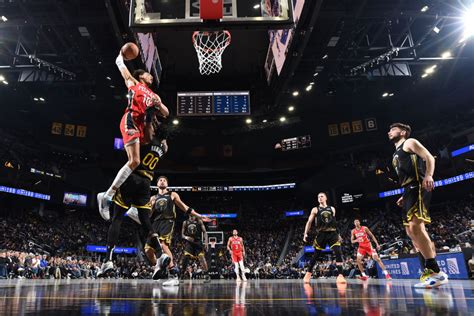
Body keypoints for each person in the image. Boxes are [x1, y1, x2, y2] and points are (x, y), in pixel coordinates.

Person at [97, 48, 169, 219]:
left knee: (138, 161)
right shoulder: (133, 83)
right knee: (135, 160)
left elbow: (166, 113)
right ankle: (106, 197)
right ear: (141, 76)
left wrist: (158, 104)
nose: (152, 76)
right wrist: (121, 53)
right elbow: (119, 63)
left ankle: (127, 202)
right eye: (149, 74)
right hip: (130, 119)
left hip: (141, 125)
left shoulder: (153, 95)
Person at [97, 122, 169, 278]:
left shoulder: (147, 139)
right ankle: (160, 253)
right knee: (145, 222)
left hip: (133, 178)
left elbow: (138, 137)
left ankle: (108, 259)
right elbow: (163, 140)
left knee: (116, 218)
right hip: (146, 183)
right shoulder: (163, 148)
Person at [388, 122, 448, 288]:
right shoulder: (396, 153)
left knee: (416, 227)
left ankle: (436, 271)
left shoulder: (409, 142)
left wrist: (428, 175)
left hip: (418, 186)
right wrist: (403, 195)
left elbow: (428, 157)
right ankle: (430, 272)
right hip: (408, 190)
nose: (389, 132)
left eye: (393, 129)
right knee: (411, 232)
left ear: (403, 132)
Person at [127, 176, 210, 285]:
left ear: (167, 184)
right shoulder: (153, 198)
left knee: (163, 245)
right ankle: (158, 267)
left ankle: (174, 275)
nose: (162, 181)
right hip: (155, 223)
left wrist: (199, 216)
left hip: (168, 222)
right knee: (148, 250)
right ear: (157, 184)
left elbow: (185, 208)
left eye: (164, 180)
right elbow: (149, 215)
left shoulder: (172, 195)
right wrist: (138, 212)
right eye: (160, 180)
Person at [303, 192, 346, 284]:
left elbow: (334, 222)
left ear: (326, 198)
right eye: (318, 197)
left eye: (321, 196)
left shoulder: (332, 209)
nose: (320, 198)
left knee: (338, 252)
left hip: (333, 233)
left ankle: (340, 275)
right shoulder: (315, 209)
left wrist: (338, 234)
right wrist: (305, 233)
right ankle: (308, 273)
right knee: (316, 255)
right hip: (321, 234)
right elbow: (309, 222)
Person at [181, 214, 210, 282]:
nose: (192, 217)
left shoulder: (199, 221)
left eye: (193, 216)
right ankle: (182, 274)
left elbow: (205, 232)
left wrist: (206, 243)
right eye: (190, 216)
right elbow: (182, 235)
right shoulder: (185, 222)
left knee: (202, 258)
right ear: (188, 216)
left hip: (198, 242)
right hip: (189, 242)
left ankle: (207, 275)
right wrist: (187, 237)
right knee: (185, 257)